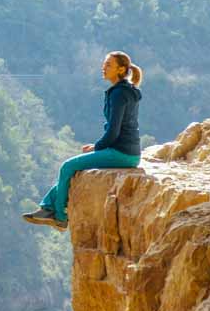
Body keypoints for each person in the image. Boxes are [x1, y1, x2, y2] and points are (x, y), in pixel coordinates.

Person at [23, 51, 143, 231]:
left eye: (108, 65)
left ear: (121, 69)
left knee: (67, 166)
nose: (104, 67)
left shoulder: (118, 94)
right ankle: (47, 207)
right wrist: (98, 147)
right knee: (74, 168)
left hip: (121, 153)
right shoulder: (128, 91)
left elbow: (114, 130)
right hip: (130, 152)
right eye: (104, 63)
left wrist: (97, 147)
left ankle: (60, 216)